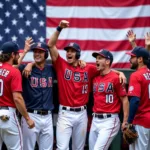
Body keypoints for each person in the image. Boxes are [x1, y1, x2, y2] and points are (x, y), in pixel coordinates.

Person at [48, 20, 126, 150]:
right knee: (62, 148)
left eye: (72, 51)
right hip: (65, 113)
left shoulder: (88, 68)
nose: (69, 53)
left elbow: (106, 70)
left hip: (82, 113)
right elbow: (50, 45)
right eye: (67, 51)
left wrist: (120, 73)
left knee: (79, 148)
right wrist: (59, 28)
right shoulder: (61, 64)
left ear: (78, 54)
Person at [17, 41, 55, 150]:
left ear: (46, 54)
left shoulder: (51, 69)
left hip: (48, 117)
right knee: (28, 148)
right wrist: (25, 53)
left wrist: (79, 61)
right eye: (35, 51)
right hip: (31, 115)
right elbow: (13, 67)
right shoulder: (25, 69)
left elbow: (65, 66)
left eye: (40, 52)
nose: (37, 54)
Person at [88, 49, 129, 150]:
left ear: (107, 61)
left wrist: (125, 121)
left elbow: (125, 100)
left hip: (110, 120)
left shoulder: (115, 78)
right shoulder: (95, 76)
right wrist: (120, 72)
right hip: (95, 119)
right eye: (96, 58)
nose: (97, 60)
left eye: (100, 58)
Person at [0, 41, 35, 150]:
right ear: (12, 55)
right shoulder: (14, 72)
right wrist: (27, 118)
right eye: (17, 53)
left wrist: (25, 51)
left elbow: (10, 68)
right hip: (7, 115)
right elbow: (17, 98)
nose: (19, 55)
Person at [126, 46, 150, 150]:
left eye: (132, 57)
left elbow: (135, 100)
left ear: (140, 59)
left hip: (141, 120)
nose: (130, 59)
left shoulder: (136, 75)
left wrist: (130, 121)